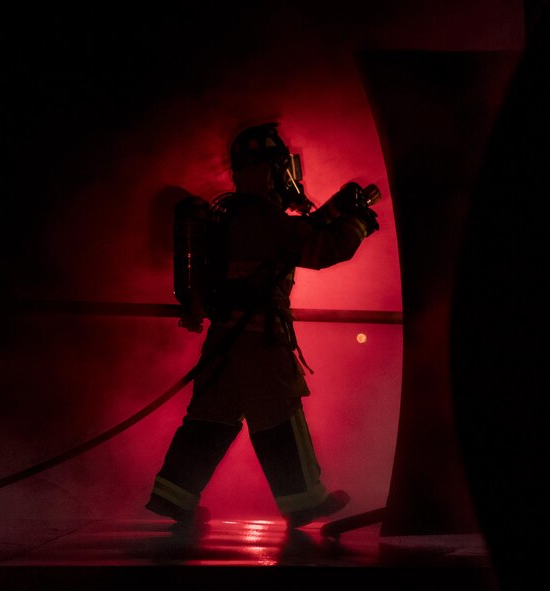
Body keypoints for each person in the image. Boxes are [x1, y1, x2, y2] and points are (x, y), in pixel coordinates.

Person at [146, 122, 380, 529]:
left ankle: (173, 498)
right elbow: (321, 248)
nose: (285, 176)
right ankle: (305, 502)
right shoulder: (262, 217)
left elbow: (294, 237)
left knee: (211, 418)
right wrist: (357, 221)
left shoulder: (234, 214)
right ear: (263, 171)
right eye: (278, 167)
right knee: (281, 417)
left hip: (226, 341)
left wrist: (334, 212)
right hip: (260, 343)